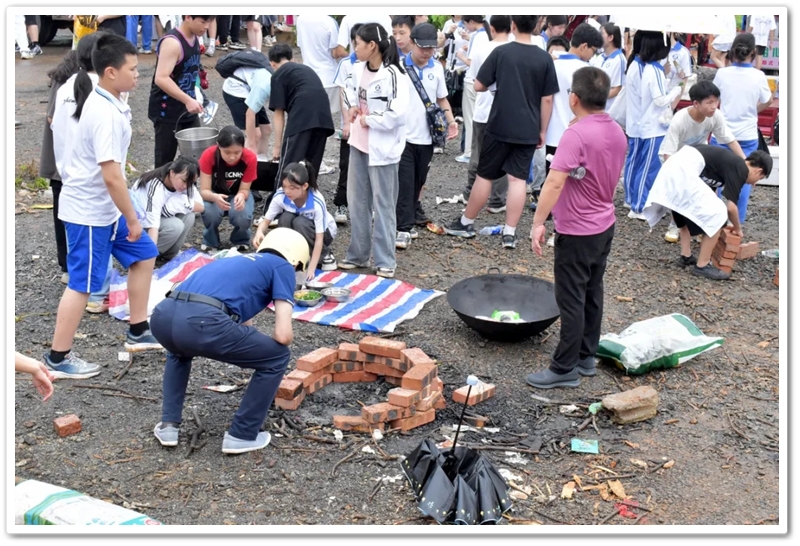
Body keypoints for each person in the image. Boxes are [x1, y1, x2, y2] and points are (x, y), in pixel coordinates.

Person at [45, 33, 162, 380]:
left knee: (145, 254)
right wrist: (133, 217)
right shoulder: (103, 111)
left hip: (106, 206)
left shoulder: (96, 95)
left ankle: (138, 330)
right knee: (83, 284)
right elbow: (111, 175)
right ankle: (57, 357)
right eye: (133, 69)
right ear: (110, 71)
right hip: (90, 210)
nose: (138, 74)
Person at [151, 227, 309, 455]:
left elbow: (243, 322)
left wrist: (250, 348)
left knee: (179, 351)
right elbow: (283, 336)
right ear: (295, 260)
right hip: (201, 322)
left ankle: (168, 426)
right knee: (277, 357)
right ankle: (242, 435)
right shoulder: (282, 266)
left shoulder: (239, 260)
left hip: (163, 317)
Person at [527, 66, 627, 389]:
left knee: (571, 297)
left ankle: (564, 367)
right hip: (604, 224)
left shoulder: (576, 135)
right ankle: (586, 355)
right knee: (592, 291)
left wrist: (538, 222)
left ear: (573, 98)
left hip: (578, 229)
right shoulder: (616, 131)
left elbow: (554, 182)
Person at [444, 15, 558, 250]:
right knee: (517, 179)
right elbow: (547, 99)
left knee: (485, 175)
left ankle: (466, 222)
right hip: (528, 126)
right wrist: (543, 130)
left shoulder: (501, 52)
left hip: (500, 123)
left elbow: (478, 85)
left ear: (513, 26)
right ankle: (509, 232)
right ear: (536, 26)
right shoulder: (544, 58)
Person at [50, 32, 117, 314]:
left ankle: (90, 285)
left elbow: (54, 126)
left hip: (69, 178)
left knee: (85, 245)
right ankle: (97, 294)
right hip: (94, 183)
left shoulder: (65, 87)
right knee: (97, 244)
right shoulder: (102, 93)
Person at [340, 23, 409, 279]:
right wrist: (351, 108)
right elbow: (348, 91)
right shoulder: (357, 68)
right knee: (357, 201)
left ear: (372, 46)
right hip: (358, 144)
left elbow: (398, 115)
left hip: (383, 149)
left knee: (383, 205)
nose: (354, 49)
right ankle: (357, 255)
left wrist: (370, 120)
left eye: (357, 44)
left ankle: (385, 260)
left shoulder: (394, 75)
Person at [643, 145, 772, 280]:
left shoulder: (729, 163)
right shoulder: (741, 168)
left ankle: (686, 256)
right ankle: (702, 265)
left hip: (676, 167)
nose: (754, 183)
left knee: (683, 210)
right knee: (719, 214)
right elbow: (731, 208)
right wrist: (738, 229)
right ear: (758, 171)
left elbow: (709, 193)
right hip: (683, 169)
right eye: (760, 178)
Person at [395, 23, 459, 250]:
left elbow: (441, 98)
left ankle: (409, 217)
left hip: (428, 137)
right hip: (403, 136)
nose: (427, 52)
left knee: (419, 180)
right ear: (412, 43)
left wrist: (451, 121)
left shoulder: (437, 68)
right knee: (405, 182)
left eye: (431, 48)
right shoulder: (398, 67)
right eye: (423, 47)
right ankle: (402, 228)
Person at [659, 81, 745, 243]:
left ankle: (701, 227)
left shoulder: (715, 116)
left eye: (716, 101)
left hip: (699, 157)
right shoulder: (680, 120)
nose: (714, 106)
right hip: (675, 157)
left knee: (704, 192)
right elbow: (668, 153)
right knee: (680, 193)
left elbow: (729, 139)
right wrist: (676, 175)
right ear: (696, 104)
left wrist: (744, 163)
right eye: (709, 102)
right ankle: (675, 225)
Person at [711, 32, 773, 225]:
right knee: (745, 176)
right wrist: (753, 111)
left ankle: (712, 221)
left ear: (732, 50)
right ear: (753, 52)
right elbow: (768, 100)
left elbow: (714, 99)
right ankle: (736, 224)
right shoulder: (758, 76)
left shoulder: (722, 73)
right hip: (747, 135)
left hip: (722, 133)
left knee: (715, 178)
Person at [623, 31, 683, 219]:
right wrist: (676, 90)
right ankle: (639, 206)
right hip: (653, 127)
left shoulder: (644, 67)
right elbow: (659, 100)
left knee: (642, 166)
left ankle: (635, 202)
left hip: (645, 125)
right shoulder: (652, 69)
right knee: (648, 169)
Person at [148, 15, 215, 168]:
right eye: (203, 21)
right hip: (167, 111)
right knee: (165, 162)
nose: (206, 27)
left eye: (209, 22)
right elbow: (161, 78)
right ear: (188, 17)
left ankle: (189, 184)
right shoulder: (172, 43)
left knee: (196, 158)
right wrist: (187, 100)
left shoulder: (195, 38)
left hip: (188, 109)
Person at [462, 16, 511, 217]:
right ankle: (497, 200)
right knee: (502, 157)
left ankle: (470, 194)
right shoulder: (514, 50)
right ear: (511, 27)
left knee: (477, 153)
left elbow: (476, 80)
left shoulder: (482, 49)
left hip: (483, 110)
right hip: (505, 112)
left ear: (492, 28)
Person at [268, 43, 336, 186]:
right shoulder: (305, 69)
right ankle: (309, 196)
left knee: (289, 164)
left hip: (302, 116)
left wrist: (277, 147)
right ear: (292, 58)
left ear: (272, 64)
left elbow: (279, 113)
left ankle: (279, 197)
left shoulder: (278, 75)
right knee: (311, 166)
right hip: (323, 117)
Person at [253, 161, 338, 275]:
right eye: (284, 186)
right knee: (285, 218)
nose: (287, 191)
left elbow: (319, 238)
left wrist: (311, 269)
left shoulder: (316, 201)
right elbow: (265, 221)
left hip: (324, 232)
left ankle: (325, 254)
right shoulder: (280, 195)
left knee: (300, 222)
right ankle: (292, 254)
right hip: (300, 227)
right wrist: (259, 232)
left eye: (292, 188)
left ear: (305, 186)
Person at [41, 48, 81, 285]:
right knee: (62, 214)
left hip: (67, 161)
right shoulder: (64, 82)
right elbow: (52, 117)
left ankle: (72, 263)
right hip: (61, 162)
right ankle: (66, 264)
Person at [544, 23, 603, 174]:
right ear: (584, 46)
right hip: (578, 136)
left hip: (552, 134)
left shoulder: (552, 64)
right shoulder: (587, 71)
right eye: (593, 51)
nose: (592, 55)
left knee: (551, 178)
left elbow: (546, 99)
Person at [130, 157, 202, 260]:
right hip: (141, 224)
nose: (186, 186)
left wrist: (178, 202)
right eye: (184, 181)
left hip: (159, 218)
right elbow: (152, 226)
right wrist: (148, 261)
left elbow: (201, 206)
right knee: (176, 226)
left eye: (191, 183)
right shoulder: (155, 187)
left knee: (189, 215)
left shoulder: (182, 182)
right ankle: (145, 256)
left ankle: (170, 254)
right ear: (172, 172)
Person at [198, 126, 257, 252]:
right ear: (218, 146)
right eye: (227, 152)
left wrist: (241, 196)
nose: (232, 157)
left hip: (237, 193)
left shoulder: (250, 158)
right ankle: (210, 240)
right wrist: (214, 197)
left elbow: (245, 189)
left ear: (243, 148)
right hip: (214, 193)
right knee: (210, 212)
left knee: (243, 214)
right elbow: (204, 190)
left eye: (237, 152)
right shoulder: (208, 155)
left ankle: (241, 239)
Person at [296, 15, 341, 175]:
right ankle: (316, 162)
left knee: (309, 122)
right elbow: (336, 52)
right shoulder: (329, 22)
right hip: (327, 76)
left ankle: (306, 158)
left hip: (307, 76)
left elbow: (301, 44)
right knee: (322, 126)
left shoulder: (301, 19)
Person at [331, 23, 364, 225]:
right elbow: (343, 92)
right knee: (346, 164)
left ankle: (366, 205)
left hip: (370, 124)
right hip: (351, 122)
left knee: (370, 165)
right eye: (357, 42)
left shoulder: (379, 63)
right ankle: (341, 203)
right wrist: (346, 123)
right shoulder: (345, 64)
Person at [220, 50, 273, 158]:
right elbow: (250, 114)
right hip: (235, 90)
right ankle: (245, 163)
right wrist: (252, 144)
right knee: (255, 135)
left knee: (266, 130)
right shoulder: (264, 87)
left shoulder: (276, 82)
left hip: (249, 88)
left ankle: (261, 162)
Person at [454, 16, 490, 165]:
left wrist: (460, 55)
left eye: (465, 24)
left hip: (471, 81)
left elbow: (471, 62)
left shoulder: (476, 36)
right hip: (486, 82)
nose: (465, 27)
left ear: (471, 22)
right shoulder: (489, 34)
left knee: (470, 119)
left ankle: (469, 152)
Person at [590, 23, 626, 112]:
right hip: (595, 108)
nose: (598, 36)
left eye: (602, 33)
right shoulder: (600, 57)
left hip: (609, 111)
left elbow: (618, 89)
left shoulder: (620, 59)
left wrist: (597, 99)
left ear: (610, 37)